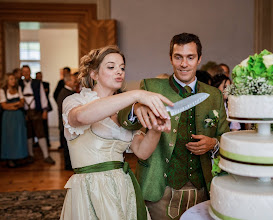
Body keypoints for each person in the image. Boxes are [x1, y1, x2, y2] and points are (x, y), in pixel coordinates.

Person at [118, 33, 230, 219]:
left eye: (190, 57)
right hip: (159, 188)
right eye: (178, 57)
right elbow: (124, 120)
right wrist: (135, 107)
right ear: (171, 58)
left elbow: (225, 136)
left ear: (199, 59)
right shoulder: (151, 86)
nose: (184, 64)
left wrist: (213, 144)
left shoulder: (213, 95)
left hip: (202, 189)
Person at [60, 45, 173, 220]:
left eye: (122, 68)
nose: (119, 72)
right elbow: (81, 117)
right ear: (94, 74)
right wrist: (137, 94)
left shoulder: (125, 112)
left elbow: (142, 152)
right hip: (92, 189)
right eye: (111, 67)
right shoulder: (75, 101)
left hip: (123, 187)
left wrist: (155, 129)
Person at [19, 65, 55, 164]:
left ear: (30, 72)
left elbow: (43, 97)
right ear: (22, 73)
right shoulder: (19, 83)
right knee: (28, 134)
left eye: (28, 71)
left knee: (40, 133)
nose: (26, 73)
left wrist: (44, 110)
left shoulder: (37, 83)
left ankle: (46, 156)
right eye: (24, 71)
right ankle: (30, 155)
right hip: (24, 112)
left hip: (36, 111)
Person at [0, 73, 28, 167]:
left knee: (19, 135)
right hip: (8, 117)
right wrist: (15, 105)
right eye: (11, 79)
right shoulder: (2, 91)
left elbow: (22, 103)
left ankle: (19, 156)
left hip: (18, 115)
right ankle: (10, 158)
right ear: (7, 80)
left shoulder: (18, 88)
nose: (13, 81)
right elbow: (4, 106)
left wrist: (11, 105)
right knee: (9, 137)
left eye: (14, 79)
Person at [56, 72, 78, 170]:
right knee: (67, 147)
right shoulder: (65, 93)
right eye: (73, 81)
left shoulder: (67, 92)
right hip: (67, 124)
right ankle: (69, 166)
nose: (75, 82)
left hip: (67, 124)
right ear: (68, 82)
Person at [36, 71, 53, 147]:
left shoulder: (46, 84)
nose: (39, 77)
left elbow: (46, 93)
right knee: (37, 126)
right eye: (38, 76)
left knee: (45, 125)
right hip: (37, 108)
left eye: (40, 76)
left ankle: (47, 141)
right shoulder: (34, 85)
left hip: (44, 107)